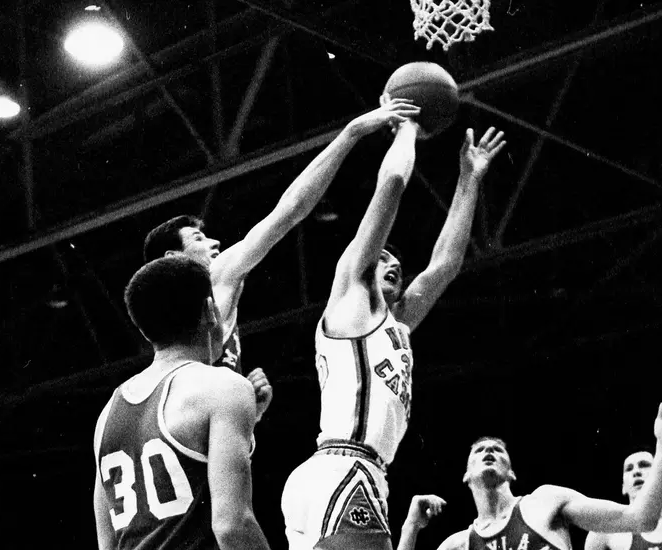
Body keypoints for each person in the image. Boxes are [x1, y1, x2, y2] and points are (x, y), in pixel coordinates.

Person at [280, 107, 507, 550]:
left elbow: (444, 266)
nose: (393, 264)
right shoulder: (350, 294)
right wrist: (407, 129)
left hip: (339, 472)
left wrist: (469, 179)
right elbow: (394, 183)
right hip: (345, 466)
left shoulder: (395, 325)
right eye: (384, 258)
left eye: (398, 267)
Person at [142, 99, 422, 377]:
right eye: (197, 239)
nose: (214, 243)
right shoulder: (213, 279)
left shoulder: (168, 325)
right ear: (174, 258)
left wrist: (249, 403)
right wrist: (351, 132)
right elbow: (290, 209)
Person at [92, 255, 270, 550]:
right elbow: (232, 526)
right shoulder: (224, 386)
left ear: (143, 329)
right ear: (210, 310)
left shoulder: (108, 411)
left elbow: (107, 543)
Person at [401, 390, 662, 550]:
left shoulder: (546, 502)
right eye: (478, 451)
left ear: (512, 473)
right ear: (465, 475)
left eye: (498, 450)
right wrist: (410, 527)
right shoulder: (458, 545)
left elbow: (640, 519)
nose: (488, 451)